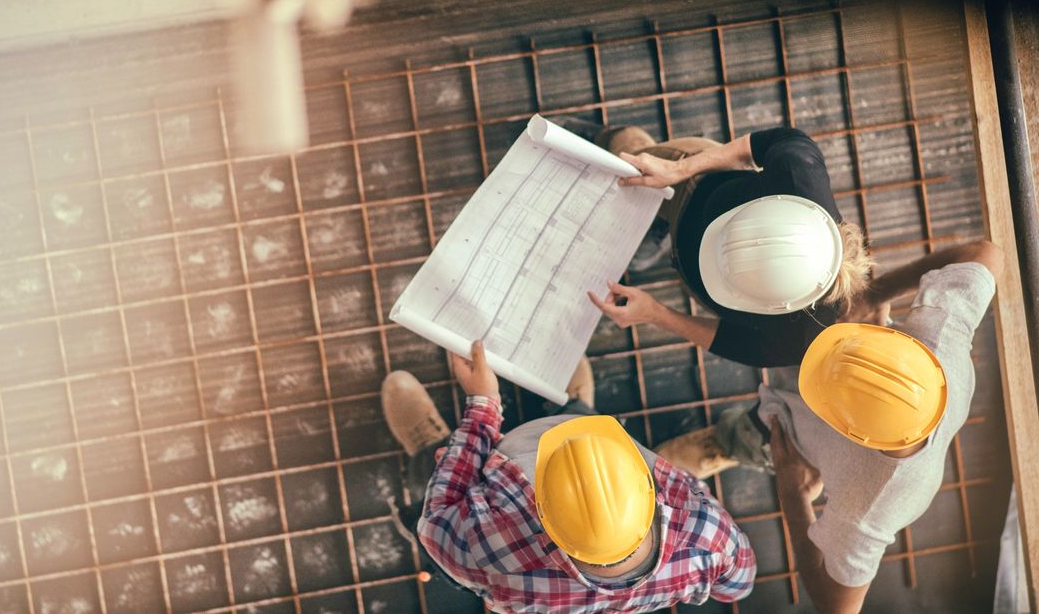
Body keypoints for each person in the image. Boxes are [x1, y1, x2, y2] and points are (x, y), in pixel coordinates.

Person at [656, 240, 1005, 612]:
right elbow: (986, 253)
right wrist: (875, 293)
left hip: (791, 438)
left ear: (847, 430)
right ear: (906, 348)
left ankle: (725, 444)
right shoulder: (941, 339)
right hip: (833, 391)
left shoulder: (868, 507)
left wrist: (794, 497)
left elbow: (838, 607)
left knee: (751, 437)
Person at [381, 342, 756, 612]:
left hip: (491, 500)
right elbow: (737, 586)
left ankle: (436, 447)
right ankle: (577, 408)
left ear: (541, 511)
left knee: (438, 471)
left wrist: (482, 406)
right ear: (651, 493)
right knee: (584, 420)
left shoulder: (491, 549)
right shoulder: (709, 538)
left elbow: (436, 523)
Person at [559, 118, 873, 369]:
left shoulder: (800, 338)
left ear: (776, 306)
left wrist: (655, 313)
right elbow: (757, 146)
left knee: (639, 240)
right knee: (626, 160)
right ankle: (610, 135)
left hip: (687, 252)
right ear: (772, 202)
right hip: (694, 182)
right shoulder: (797, 171)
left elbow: (726, 339)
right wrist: (678, 169)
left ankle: (661, 233)